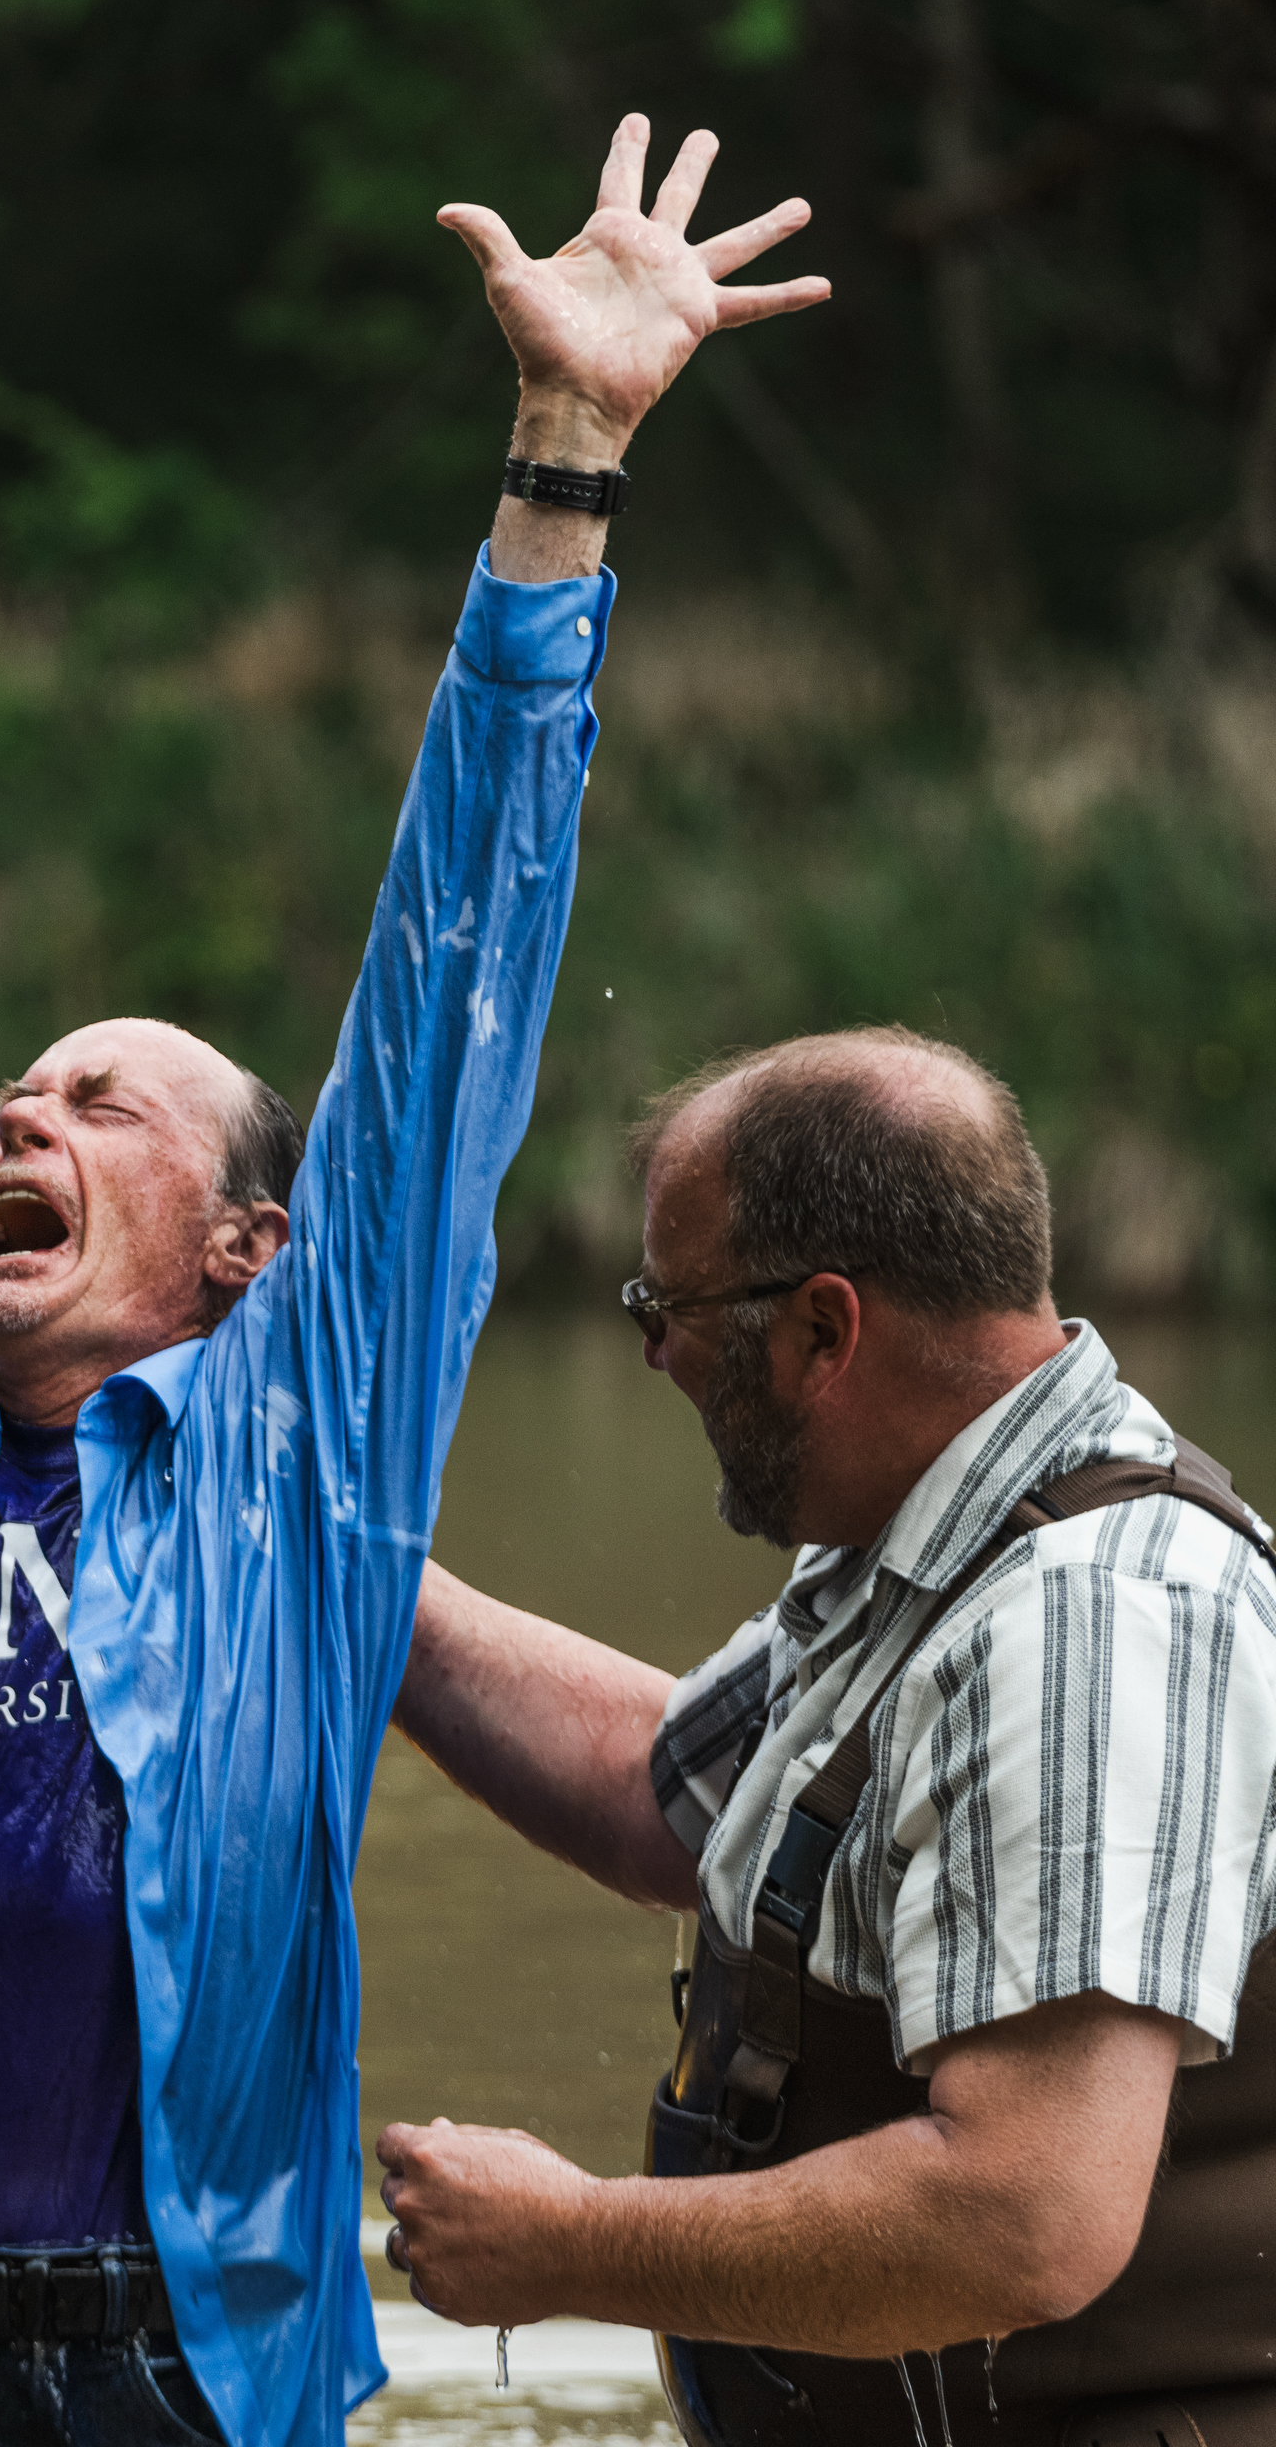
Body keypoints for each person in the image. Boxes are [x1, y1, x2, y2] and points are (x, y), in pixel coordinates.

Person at [0, 120, 829, 2447]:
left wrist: (565, 455)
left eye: (104, 1105)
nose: (18, 1125)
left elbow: (459, 965)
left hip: (125, 2379)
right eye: (17, 1099)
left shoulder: (295, 1453)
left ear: (250, 1251)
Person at [383, 1027, 1276, 2447]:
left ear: (822, 1330)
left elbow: (1025, 2218)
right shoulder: (928, 1539)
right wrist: (349, 1580)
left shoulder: (1093, 1623)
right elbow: (656, 1790)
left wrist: (569, 2244)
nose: (658, 1352)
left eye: (665, 1311)